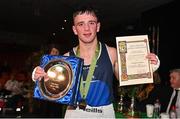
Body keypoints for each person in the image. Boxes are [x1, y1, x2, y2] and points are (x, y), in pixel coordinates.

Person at [32, 5, 160, 118]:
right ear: (75, 29)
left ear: (98, 26)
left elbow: (125, 79)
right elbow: (54, 87)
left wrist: (147, 66)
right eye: (81, 24)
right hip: (75, 112)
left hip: (104, 113)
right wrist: (39, 75)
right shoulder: (66, 58)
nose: (86, 28)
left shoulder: (112, 52)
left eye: (91, 23)